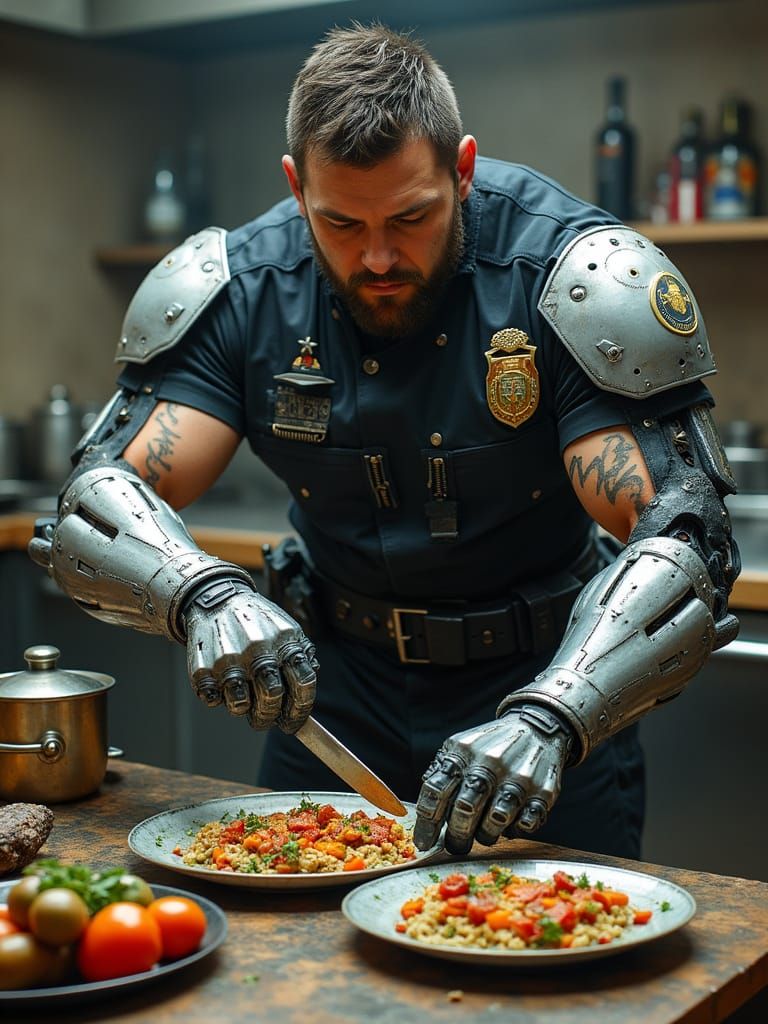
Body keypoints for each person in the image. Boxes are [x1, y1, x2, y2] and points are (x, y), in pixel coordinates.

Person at [30, 23, 740, 861]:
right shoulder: (242, 287)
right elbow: (95, 504)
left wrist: (555, 715)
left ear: (462, 169)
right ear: (296, 186)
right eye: (338, 222)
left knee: (556, 938)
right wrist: (203, 594)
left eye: (411, 217)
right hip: (328, 698)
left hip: (548, 690)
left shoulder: (575, 281)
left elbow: (684, 540)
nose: (375, 256)